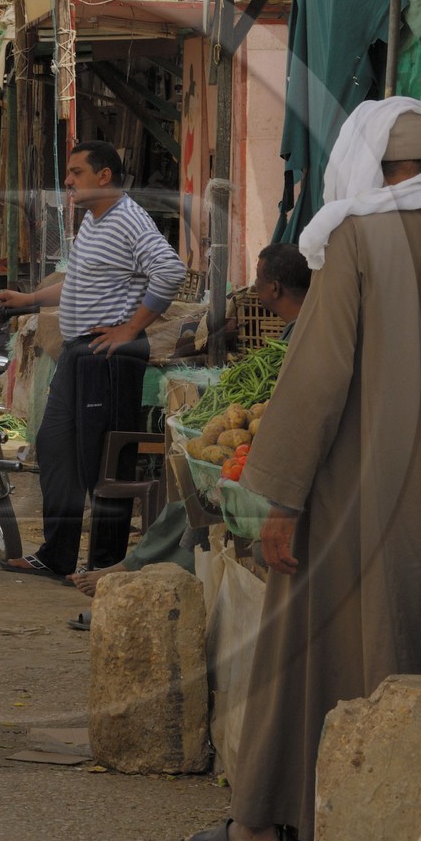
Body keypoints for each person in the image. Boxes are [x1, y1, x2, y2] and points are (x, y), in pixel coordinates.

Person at [177, 98, 421, 841]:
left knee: (300, 657)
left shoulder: (356, 246)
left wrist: (282, 499)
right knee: (414, 653)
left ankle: (261, 829)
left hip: (344, 501)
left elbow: (316, 380)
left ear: (364, 161)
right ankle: (393, 836)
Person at [69, 243, 312, 606]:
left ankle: (150, 576)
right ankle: (144, 570)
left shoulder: (304, 333)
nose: (255, 287)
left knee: (203, 486)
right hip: (269, 446)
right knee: (195, 477)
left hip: (285, 459)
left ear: (274, 287)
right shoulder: (305, 327)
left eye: (259, 279)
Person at [0, 140, 186, 578]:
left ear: (105, 176)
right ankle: (57, 556)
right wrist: (28, 299)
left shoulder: (128, 220)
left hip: (109, 356)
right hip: (79, 353)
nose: (67, 181)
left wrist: (131, 329)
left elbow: (170, 270)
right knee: (56, 451)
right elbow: (77, 284)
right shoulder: (94, 223)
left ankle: (104, 567)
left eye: (76, 172)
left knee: (105, 464)